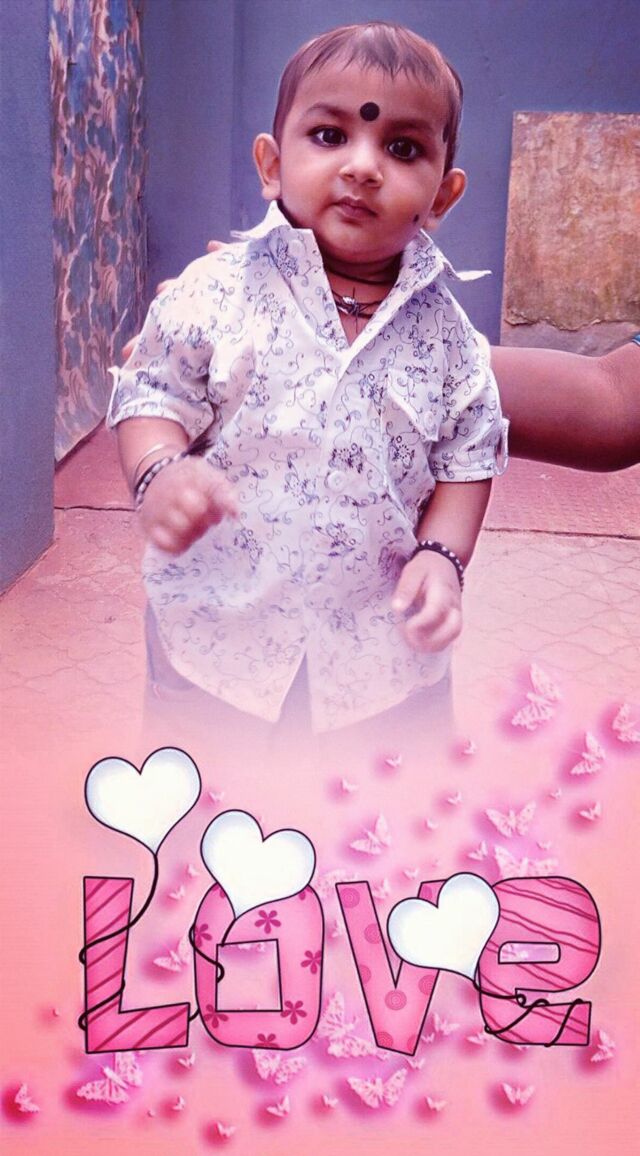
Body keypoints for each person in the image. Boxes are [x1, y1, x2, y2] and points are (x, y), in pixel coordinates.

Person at [107, 21, 513, 756]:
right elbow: (151, 394)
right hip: (218, 639)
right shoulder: (216, 292)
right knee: (201, 800)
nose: (363, 167)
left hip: (380, 657)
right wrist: (159, 472)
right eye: (330, 136)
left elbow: (468, 456)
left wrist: (443, 558)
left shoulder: (450, 339)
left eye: (403, 149)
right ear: (272, 164)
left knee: (378, 811)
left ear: (443, 195)